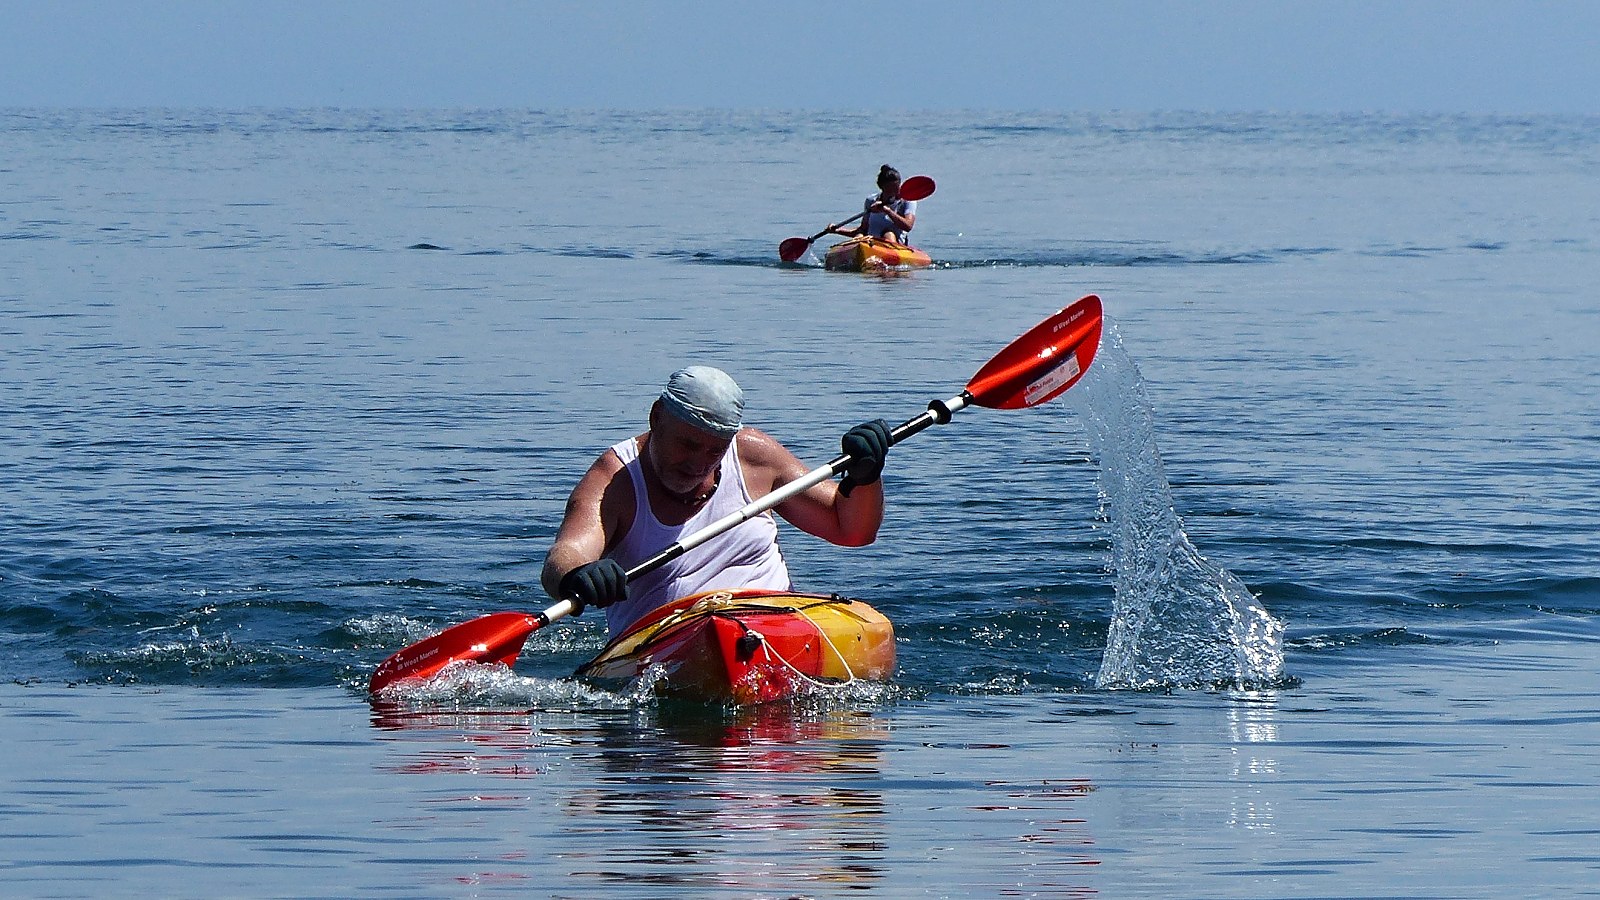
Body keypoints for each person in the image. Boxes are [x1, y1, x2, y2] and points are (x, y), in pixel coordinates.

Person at [541, 365, 893, 637]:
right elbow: (566, 554)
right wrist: (578, 575)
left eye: (715, 449)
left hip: (773, 626)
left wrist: (865, 478)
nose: (699, 463)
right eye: (688, 445)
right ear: (656, 417)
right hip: (667, 638)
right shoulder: (614, 480)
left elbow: (852, 530)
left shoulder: (753, 456)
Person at [827, 164, 918, 245]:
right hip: (870, 244)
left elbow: (908, 226)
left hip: (894, 245)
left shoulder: (907, 201)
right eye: (890, 189)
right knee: (860, 235)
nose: (895, 192)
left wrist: (887, 211)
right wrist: (837, 230)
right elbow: (863, 229)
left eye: (897, 188)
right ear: (881, 187)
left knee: (889, 233)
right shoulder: (871, 201)